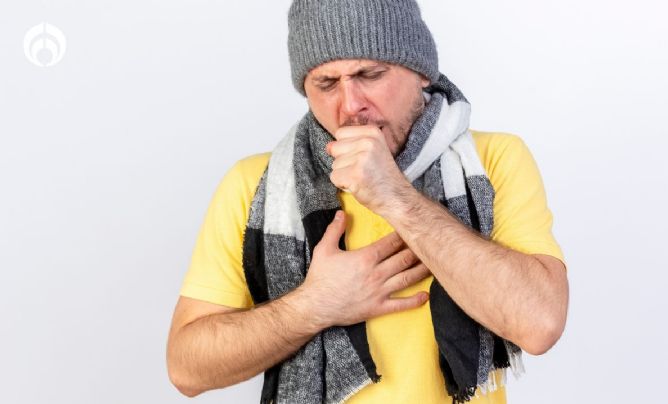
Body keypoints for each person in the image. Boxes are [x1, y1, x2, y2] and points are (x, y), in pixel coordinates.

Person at [166, 1, 569, 403]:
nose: (350, 105)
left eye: (370, 74)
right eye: (326, 84)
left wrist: (396, 197)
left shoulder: (492, 161)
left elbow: (540, 324)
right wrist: (313, 306)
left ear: (421, 73)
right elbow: (187, 368)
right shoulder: (256, 185)